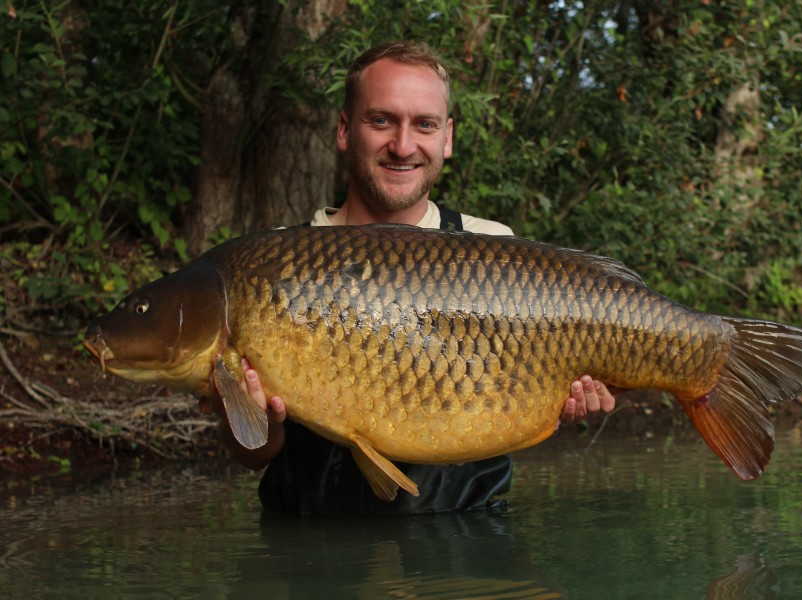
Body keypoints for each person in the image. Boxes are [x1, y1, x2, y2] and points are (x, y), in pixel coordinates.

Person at [199, 41, 616, 515]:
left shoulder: (494, 249)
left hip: (468, 547)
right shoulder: (272, 263)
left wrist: (571, 396)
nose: (402, 145)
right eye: (381, 120)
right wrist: (261, 421)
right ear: (343, 129)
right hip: (309, 550)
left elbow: (517, 412)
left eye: (424, 124)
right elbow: (252, 456)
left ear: (448, 138)